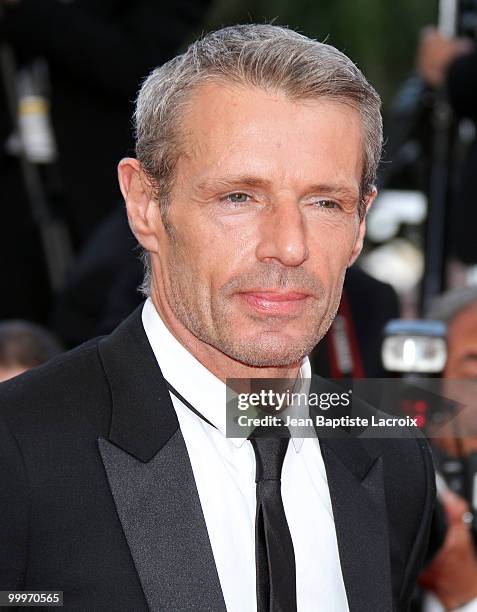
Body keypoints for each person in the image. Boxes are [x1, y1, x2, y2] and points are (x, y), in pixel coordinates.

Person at [0, 24, 435, 611]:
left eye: (324, 202)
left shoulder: (394, 461)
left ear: (361, 224)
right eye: (239, 197)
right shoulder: (19, 449)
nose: (287, 246)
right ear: (146, 205)